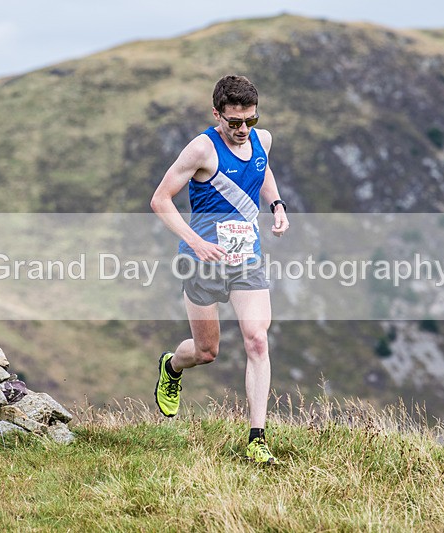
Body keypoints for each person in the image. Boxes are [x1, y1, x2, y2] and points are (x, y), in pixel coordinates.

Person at [150, 74, 289, 464]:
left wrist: (277, 205)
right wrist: (195, 241)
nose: (243, 129)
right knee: (206, 351)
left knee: (257, 340)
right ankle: (172, 366)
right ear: (217, 114)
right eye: (234, 122)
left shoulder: (262, 140)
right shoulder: (201, 150)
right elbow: (160, 200)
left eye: (250, 120)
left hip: (247, 259)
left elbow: (262, 171)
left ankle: (257, 439)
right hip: (202, 262)